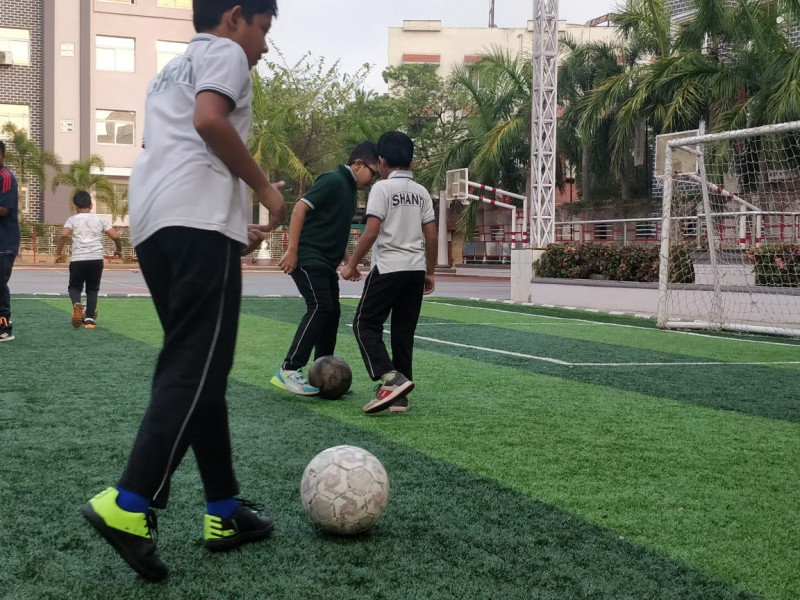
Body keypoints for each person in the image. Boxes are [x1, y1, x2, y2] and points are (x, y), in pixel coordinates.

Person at [82, 0, 287, 583]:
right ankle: (128, 503)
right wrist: (265, 192)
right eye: (263, 30)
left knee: (198, 369)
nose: (263, 46)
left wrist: (230, 229)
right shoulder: (227, 53)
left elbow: (180, 151)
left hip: (157, 225)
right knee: (196, 365)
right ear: (234, 17)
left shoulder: (169, 69)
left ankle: (223, 509)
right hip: (194, 222)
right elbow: (209, 122)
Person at [271, 141, 380, 395]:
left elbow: (336, 229)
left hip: (325, 263)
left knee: (332, 312)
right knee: (320, 306)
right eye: (373, 173)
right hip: (308, 257)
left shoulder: (351, 190)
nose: (373, 180)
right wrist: (292, 250)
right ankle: (288, 369)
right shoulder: (333, 180)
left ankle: (324, 372)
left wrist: (348, 260)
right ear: (358, 164)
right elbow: (300, 209)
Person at [340, 131, 437, 414]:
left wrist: (351, 264)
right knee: (403, 332)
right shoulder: (421, 192)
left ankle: (390, 377)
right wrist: (430, 271)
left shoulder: (381, 189)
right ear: (412, 161)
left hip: (388, 268)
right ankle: (400, 398)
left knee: (364, 324)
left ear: (381, 161)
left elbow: (371, 232)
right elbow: (431, 236)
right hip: (415, 270)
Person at [56, 191, 123, 329]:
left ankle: (77, 304)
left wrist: (58, 253)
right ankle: (89, 320)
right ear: (91, 205)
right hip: (96, 259)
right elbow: (115, 236)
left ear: (75, 206)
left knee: (74, 287)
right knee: (92, 289)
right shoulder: (100, 219)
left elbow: (64, 235)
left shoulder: (72, 220)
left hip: (78, 259)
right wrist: (118, 249)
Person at [0, 140, 19, 343]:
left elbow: (3, 210)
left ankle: (4, 327)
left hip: (4, 242)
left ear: (2, 155)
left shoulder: (5, 177)